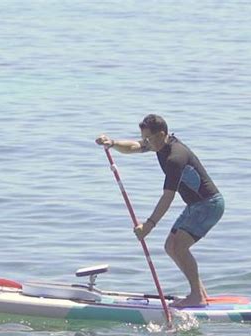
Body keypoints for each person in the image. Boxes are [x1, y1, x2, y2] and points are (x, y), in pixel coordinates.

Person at [95, 114, 224, 307]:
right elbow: (134, 146)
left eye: (149, 138)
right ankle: (200, 294)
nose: (145, 142)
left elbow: (167, 197)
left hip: (208, 205)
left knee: (179, 247)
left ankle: (196, 296)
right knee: (170, 247)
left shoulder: (175, 157)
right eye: (144, 137)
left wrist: (149, 225)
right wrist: (112, 143)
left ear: (162, 134)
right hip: (196, 206)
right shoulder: (159, 144)